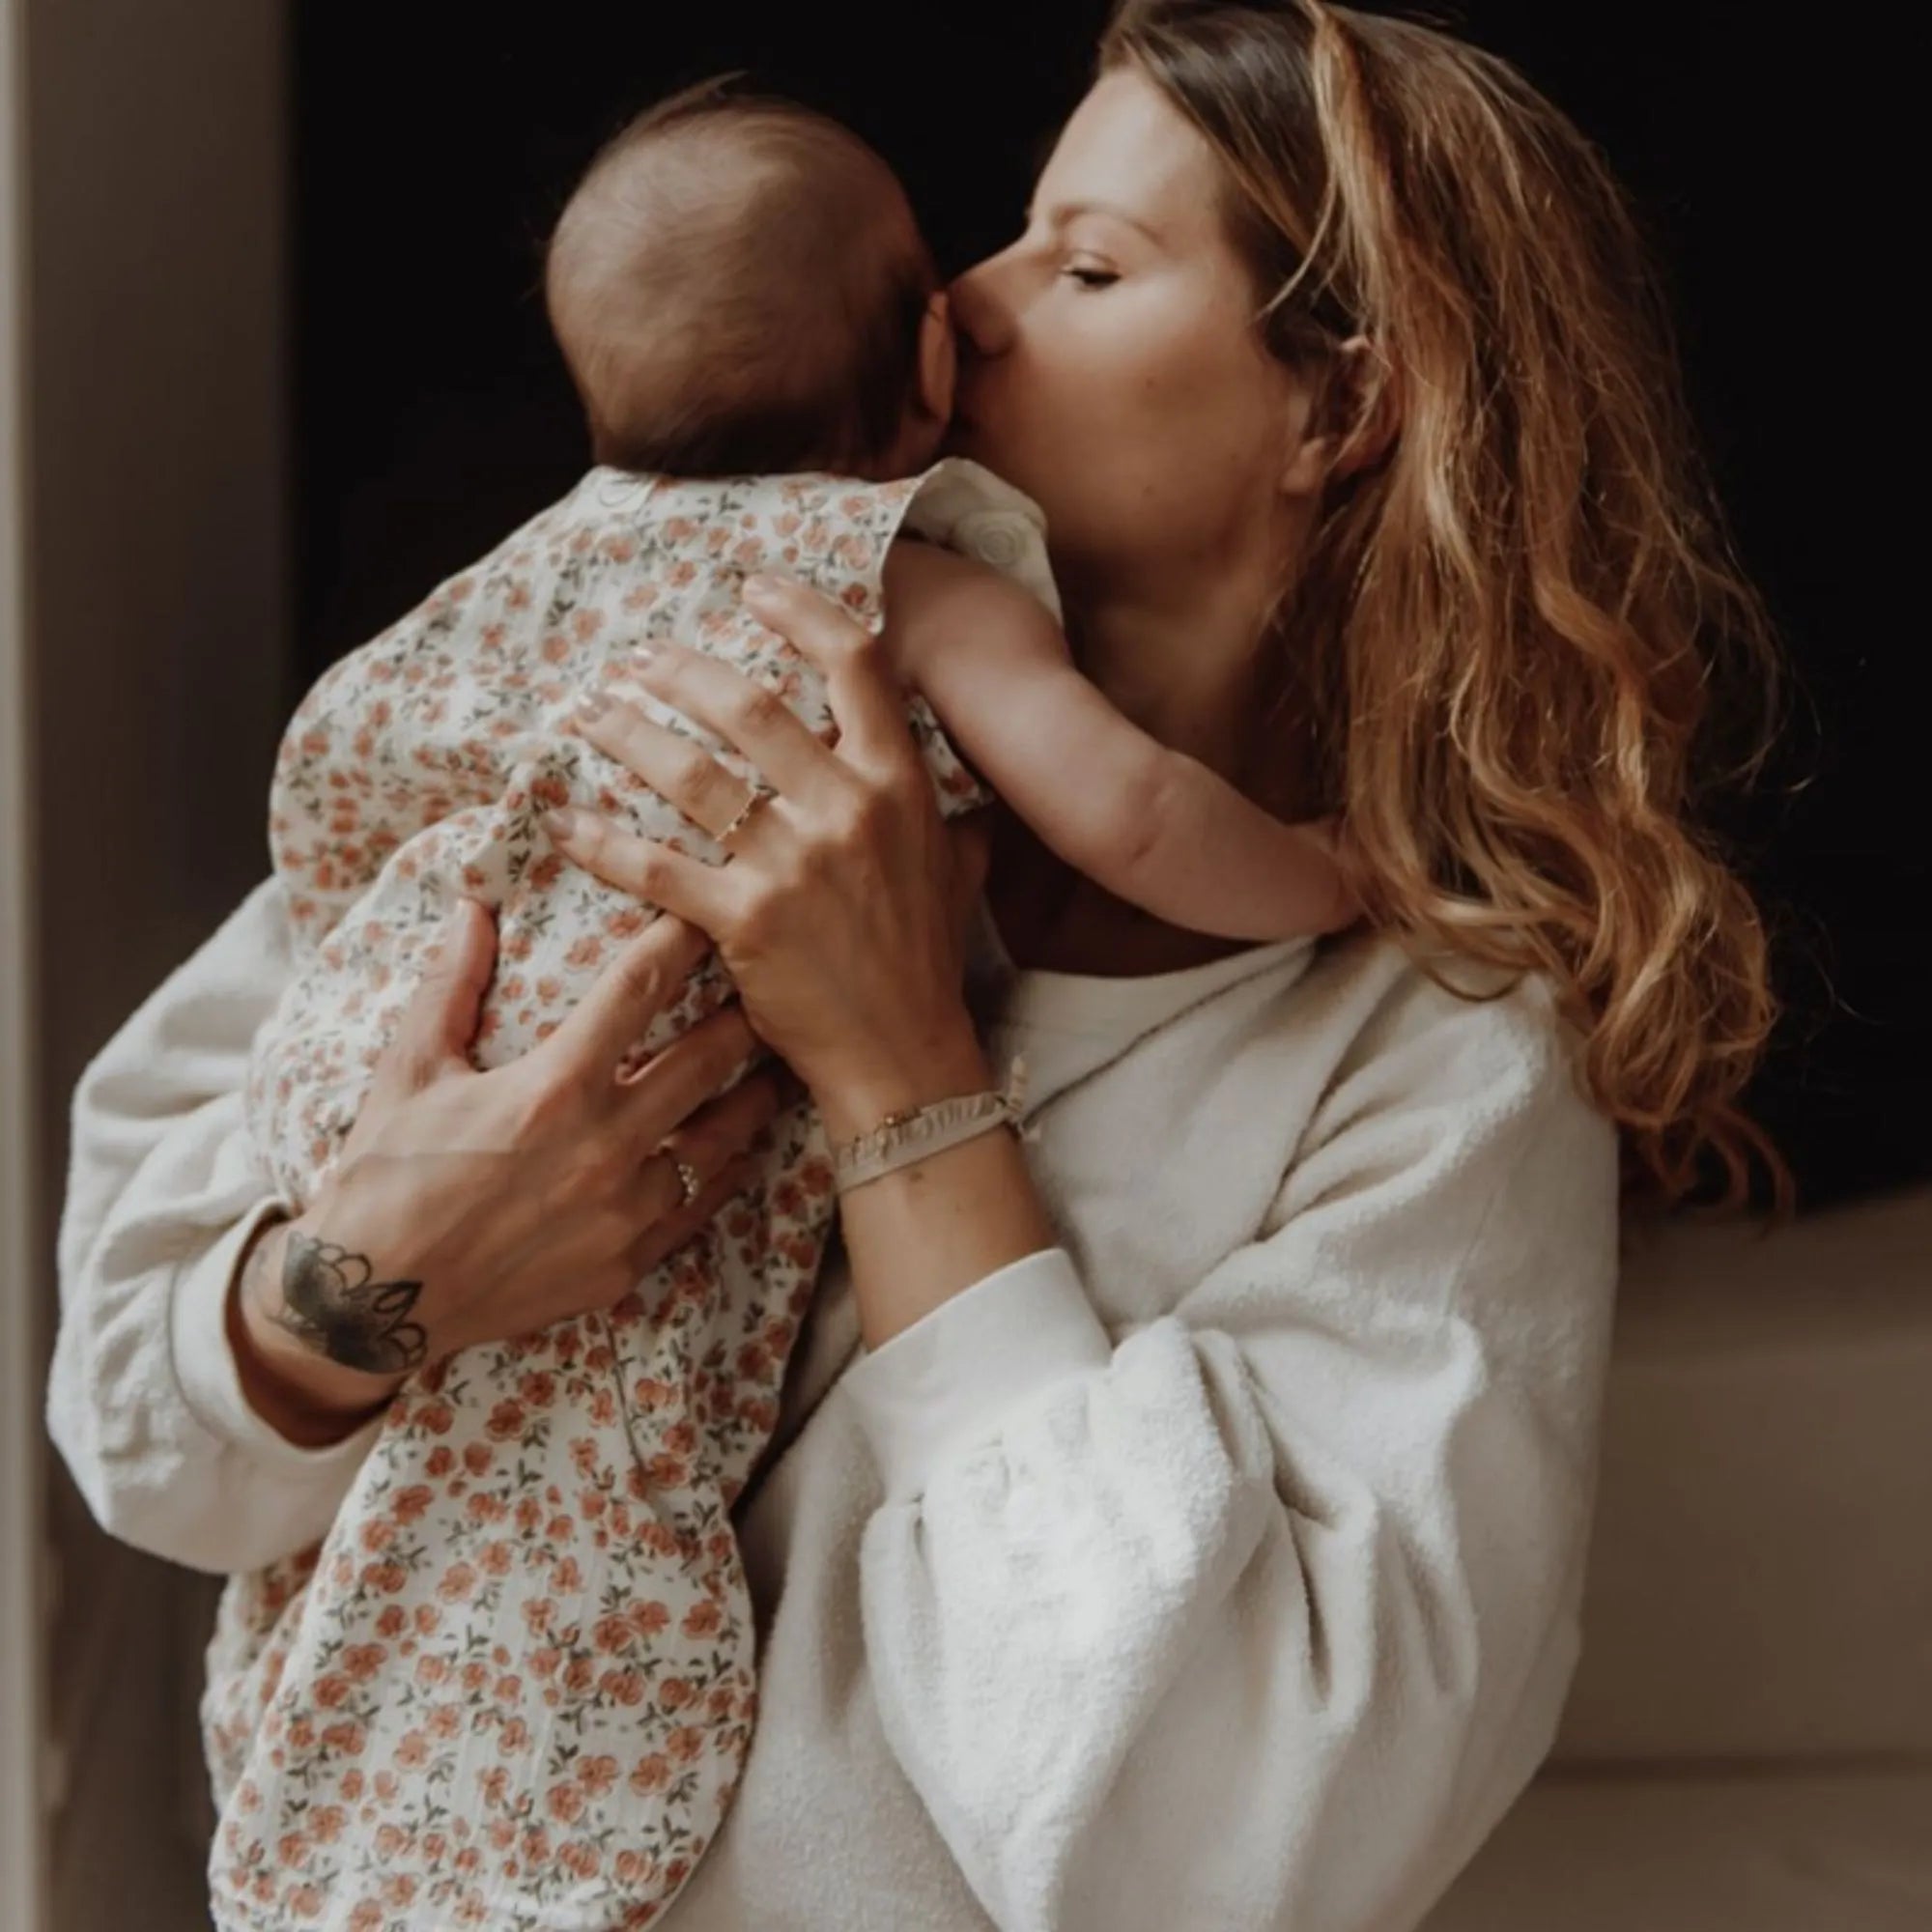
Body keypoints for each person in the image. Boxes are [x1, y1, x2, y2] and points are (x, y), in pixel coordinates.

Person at [46, 3, 1791, 1927]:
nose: (967, 295)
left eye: (1090, 261)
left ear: (1338, 406)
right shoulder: (613, 741)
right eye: (1009, 229)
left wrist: (899, 1078)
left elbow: (1223, 1854)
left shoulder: (1431, 1056)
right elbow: (138, 1442)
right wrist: (363, 1286)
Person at [207, 77, 1357, 1932]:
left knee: (458, 1498)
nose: (987, 301)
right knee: (569, 1489)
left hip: (395, 1045)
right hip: (597, 1092)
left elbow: (346, 796)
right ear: (913, 361)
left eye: (1082, 264)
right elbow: (1134, 809)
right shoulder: (901, 576)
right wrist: (1340, 874)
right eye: (977, 264)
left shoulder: (529, 581)